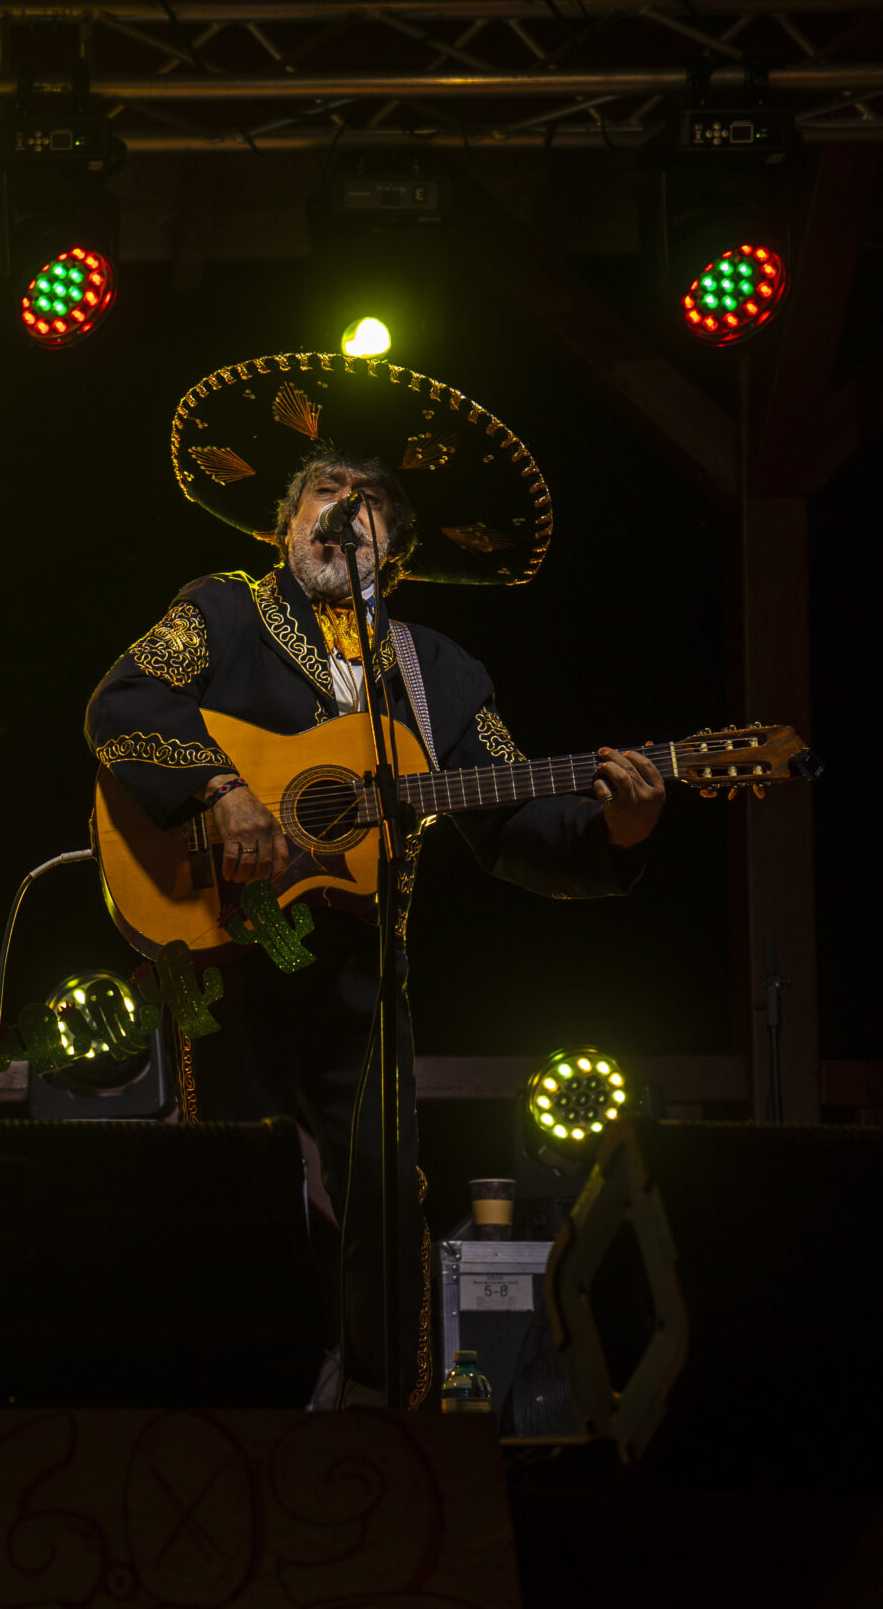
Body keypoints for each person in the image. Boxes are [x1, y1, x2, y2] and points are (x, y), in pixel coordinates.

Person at [85, 353, 664, 1408]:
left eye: (372, 503)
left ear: (397, 547)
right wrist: (221, 789)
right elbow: (123, 704)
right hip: (230, 949)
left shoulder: (441, 673)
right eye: (325, 490)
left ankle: (381, 1422)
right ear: (283, 524)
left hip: (363, 974)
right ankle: (237, 1411)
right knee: (242, 1183)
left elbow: (508, 816)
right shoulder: (219, 609)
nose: (345, 511)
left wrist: (616, 830)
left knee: (387, 1198)